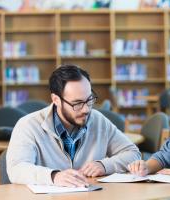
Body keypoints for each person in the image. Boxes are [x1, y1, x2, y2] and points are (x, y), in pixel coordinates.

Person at [7, 64, 141, 187]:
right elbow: (17, 168)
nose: (86, 110)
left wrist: (104, 165)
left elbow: (133, 153)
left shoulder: (98, 121)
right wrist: (54, 176)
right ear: (56, 100)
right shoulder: (28, 125)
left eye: (89, 100)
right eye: (77, 103)